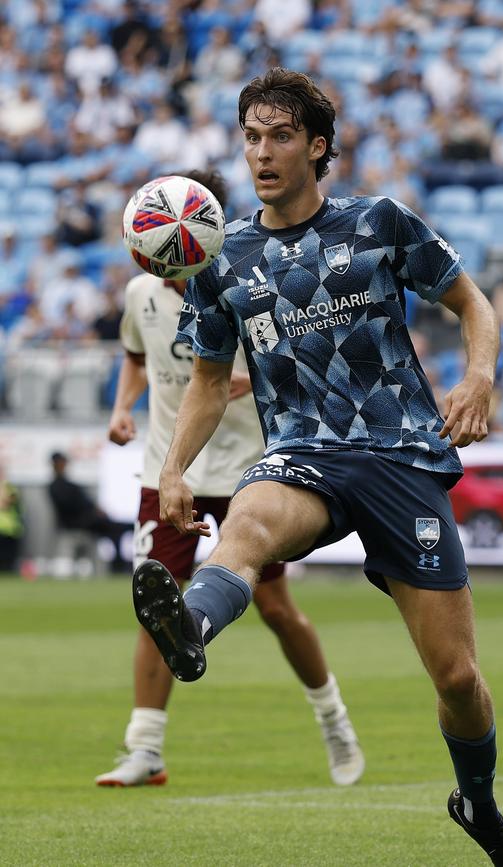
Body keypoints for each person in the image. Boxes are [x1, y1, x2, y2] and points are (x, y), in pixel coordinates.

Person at [134, 69, 503, 866]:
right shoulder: (223, 259)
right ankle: (192, 624)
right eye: (251, 137)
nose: (262, 153)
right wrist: (176, 469)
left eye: (280, 136)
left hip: (400, 456)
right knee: (246, 523)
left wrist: (480, 375)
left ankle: (478, 802)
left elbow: (474, 303)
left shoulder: (380, 222)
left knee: (458, 678)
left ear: (318, 147)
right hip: (302, 455)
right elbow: (211, 381)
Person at [96, 168, 363, 789]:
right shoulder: (141, 296)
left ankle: (332, 716)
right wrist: (120, 407)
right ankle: (145, 747)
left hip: (249, 468)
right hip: (168, 470)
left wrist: (232, 382)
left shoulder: (246, 282)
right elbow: (137, 357)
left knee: (273, 605)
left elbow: (284, 364)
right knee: (157, 606)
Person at [47, 452, 130, 572]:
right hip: (75, 527)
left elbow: (86, 503)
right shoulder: (57, 487)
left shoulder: (69, 485)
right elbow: (74, 506)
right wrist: (92, 512)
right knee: (115, 528)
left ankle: (118, 566)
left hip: (87, 526)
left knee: (116, 529)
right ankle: (118, 567)